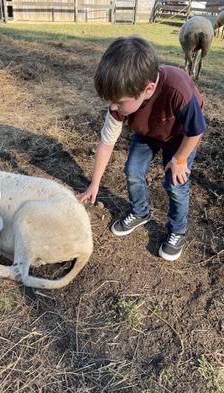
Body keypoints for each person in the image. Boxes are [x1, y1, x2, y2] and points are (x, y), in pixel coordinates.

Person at [78, 36, 207, 261]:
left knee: (175, 185)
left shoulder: (176, 89)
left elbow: (195, 130)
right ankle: (140, 211)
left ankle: (177, 230)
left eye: (119, 102)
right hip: (149, 133)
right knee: (132, 170)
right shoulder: (121, 104)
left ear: (147, 89)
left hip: (181, 137)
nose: (113, 107)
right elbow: (106, 144)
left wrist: (179, 160)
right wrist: (94, 184)